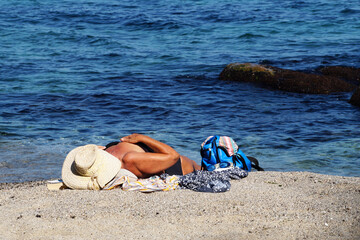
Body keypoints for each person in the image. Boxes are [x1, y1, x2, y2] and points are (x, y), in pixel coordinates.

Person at [101, 133, 200, 178]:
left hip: (155, 156)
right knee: (200, 169)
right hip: (169, 165)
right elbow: (174, 156)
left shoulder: (101, 152)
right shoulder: (129, 159)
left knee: (201, 168)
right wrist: (141, 138)